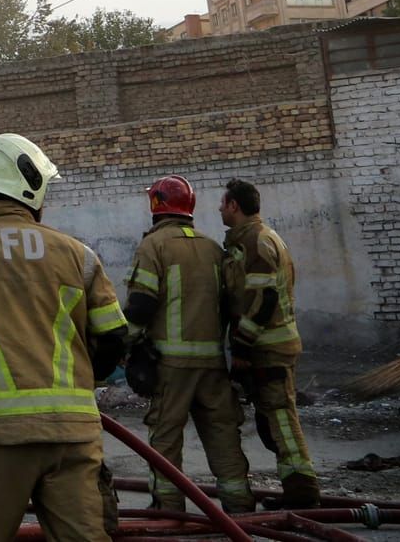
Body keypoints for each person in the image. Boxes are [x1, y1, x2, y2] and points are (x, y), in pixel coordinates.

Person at [0, 133, 128, 541]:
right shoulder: (78, 256)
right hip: (72, 436)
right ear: (29, 186)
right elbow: (114, 339)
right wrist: (83, 384)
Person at [124, 176, 253, 513]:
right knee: (223, 432)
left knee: (165, 436)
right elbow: (233, 306)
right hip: (212, 364)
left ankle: (168, 508)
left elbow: (140, 305)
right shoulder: (213, 248)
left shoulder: (154, 246)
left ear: (156, 205)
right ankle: (239, 503)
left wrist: (129, 345)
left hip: (170, 366)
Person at [221, 177, 317, 509]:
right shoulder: (258, 238)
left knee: (280, 419)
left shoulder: (255, 241)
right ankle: (296, 489)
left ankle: (302, 494)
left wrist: (243, 348)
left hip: (268, 347)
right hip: (273, 344)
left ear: (234, 205)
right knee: (273, 418)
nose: (220, 208)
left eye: (223, 203)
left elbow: (263, 299)